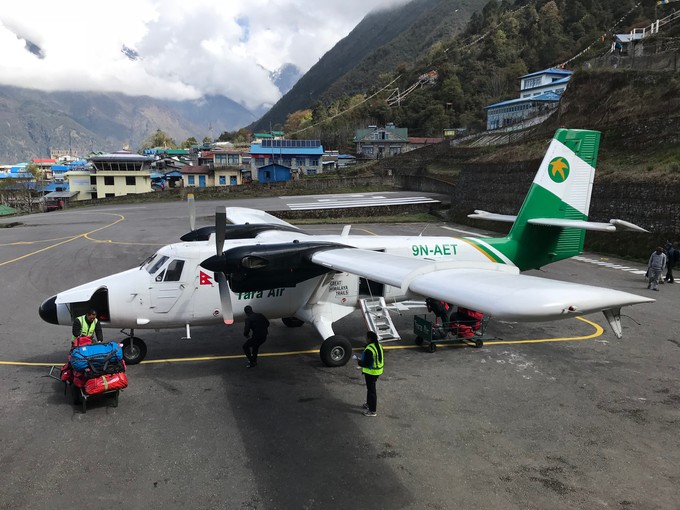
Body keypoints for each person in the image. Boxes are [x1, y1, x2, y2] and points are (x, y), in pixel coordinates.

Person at [356, 330, 384, 417]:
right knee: (370, 389)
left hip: (371, 373)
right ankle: (368, 404)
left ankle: (372, 410)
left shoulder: (369, 349)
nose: (365, 339)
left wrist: (359, 362)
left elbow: (366, 364)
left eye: (366, 337)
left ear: (369, 339)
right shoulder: (378, 346)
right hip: (378, 371)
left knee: (372, 391)